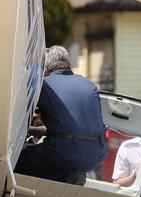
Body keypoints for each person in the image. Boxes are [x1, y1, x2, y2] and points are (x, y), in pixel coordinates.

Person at [15, 46, 107, 185]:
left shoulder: (44, 84)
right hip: (96, 156)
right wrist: (32, 130)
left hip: (65, 152)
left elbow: (19, 114)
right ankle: (67, 176)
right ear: (68, 65)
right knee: (55, 160)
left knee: (16, 160)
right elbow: (69, 130)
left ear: (45, 70)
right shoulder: (90, 85)